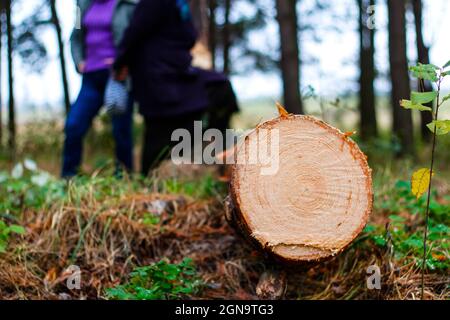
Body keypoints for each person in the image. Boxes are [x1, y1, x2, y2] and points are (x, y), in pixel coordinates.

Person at [114, 0, 238, 175]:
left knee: (219, 88)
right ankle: (152, 177)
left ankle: (215, 156)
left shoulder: (179, 4)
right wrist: (119, 65)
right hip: (159, 78)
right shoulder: (155, 4)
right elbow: (133, 34)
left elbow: (189, 34)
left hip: (177, 72)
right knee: (160, 134)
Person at [62, 0, 138, 178]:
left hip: (116, 77)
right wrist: (79, 60)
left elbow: (135, 38)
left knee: (121, 131)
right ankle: (69, 178)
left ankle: (124, 178)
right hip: (91, 78)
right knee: (73, 125)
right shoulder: (83, 6)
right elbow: (75, 36)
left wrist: (125, 63)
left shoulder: (126, 5)